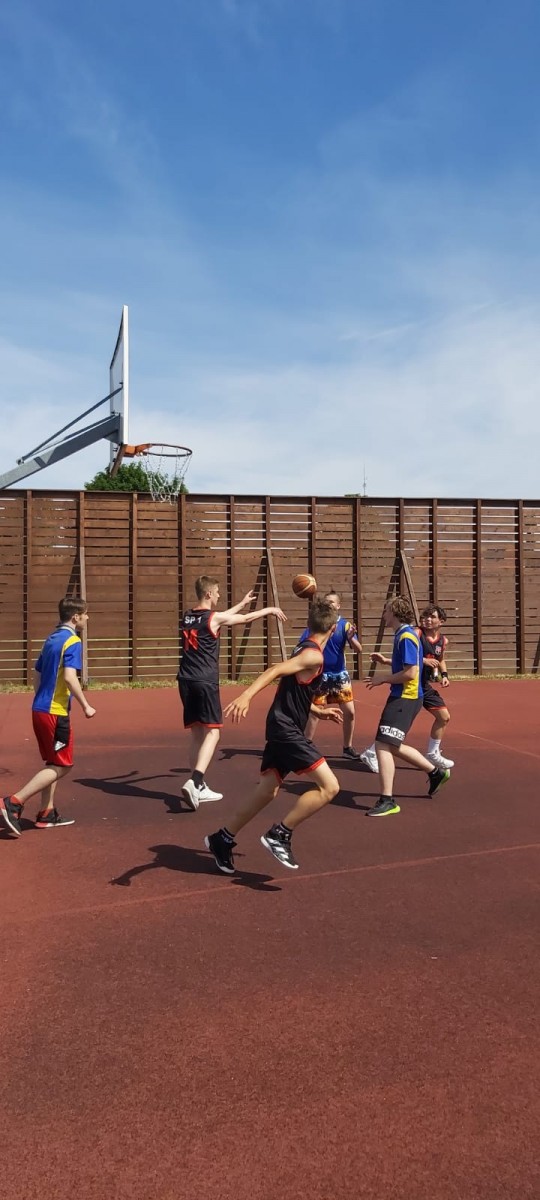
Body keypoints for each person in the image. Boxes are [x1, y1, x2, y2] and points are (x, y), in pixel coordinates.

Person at [204, 597, 342, 874]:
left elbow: (294, 690)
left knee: (267, 790)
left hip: (281, 726)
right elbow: (275, 670)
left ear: (309, 624)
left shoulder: (304, 647)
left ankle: (222, 838)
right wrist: (246, 696)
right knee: (330, 787)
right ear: (334, 627)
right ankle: (280, 834)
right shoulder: (314, 655)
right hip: (286, 730)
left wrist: (317, 710)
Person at [178, 576, 286, 810]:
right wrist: (269, 610)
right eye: (217, 592)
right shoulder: (214, 618)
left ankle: (199, 785)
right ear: (208, 594)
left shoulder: (187, 616)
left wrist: (242, 603)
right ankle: (195, 781)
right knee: (214, 732)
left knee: (196, 733)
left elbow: (222, 617)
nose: (219, 595)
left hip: (185, 680)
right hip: (204, 681)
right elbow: (242, 619)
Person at [0, 597, 96, 838]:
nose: (87, 618)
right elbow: (70, 678)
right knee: (64, 766)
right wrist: (86, 705)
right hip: (55, 712)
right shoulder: (73, 641)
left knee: (53, 762)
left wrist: (41, 698)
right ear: (75, 617)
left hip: (40, 709)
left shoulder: (51, 639)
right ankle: (13, 802)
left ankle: (47, 812)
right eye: (85, 614)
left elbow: (37, 673)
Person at [364, 595, 450, 816]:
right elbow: (410, 664)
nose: (383, 614)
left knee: (382, 744)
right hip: (405, 696)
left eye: (386, 610)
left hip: (405, 697)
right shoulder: (405, 635)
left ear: (394, 612)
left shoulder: (406, 637)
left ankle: (387, 800)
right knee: (390, 745)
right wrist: (386, 662)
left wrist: (382, 678)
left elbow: (411, 673)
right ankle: (435, 772)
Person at [302, 589, 363, 759]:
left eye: (332, 602)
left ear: (338, 606)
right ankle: (306, 745)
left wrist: (351, 638)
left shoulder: (345, 626)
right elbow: (303, 643)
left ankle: (347, 747)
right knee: (316, 711)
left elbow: (359, 649)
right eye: (326, 602)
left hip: (339, 675)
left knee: (350, 712)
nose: (329, 604)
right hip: (320, 674)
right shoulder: (317, 624)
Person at [415, 604, 454, 768]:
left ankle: (432, 754)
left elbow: (440, 659)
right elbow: (404, 654)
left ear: (441, 621)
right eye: (426, 616)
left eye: (432, 617)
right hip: (410, 683)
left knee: (444, 717)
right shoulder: (416, 634)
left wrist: (444, 675)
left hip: (424, 685)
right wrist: (424, 660)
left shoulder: (443, 641)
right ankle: (373, 752)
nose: (428, 619)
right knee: (400, 723)